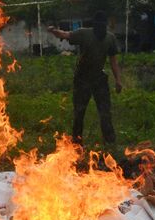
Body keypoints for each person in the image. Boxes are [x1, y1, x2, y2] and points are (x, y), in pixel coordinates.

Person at [48, 11, 122, 145]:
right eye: (98, 25)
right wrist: (53, 31)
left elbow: (113, 61)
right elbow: (65, 35)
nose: (101, 28)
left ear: (106, 26)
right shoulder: (84, 33)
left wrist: (118, 80)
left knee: (105, 113)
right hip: (82, 79)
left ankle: (110, 143)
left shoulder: (110, 38)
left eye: (103, 25)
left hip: (99, 79)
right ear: (94, 25)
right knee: (79, 113)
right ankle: (76, 144)